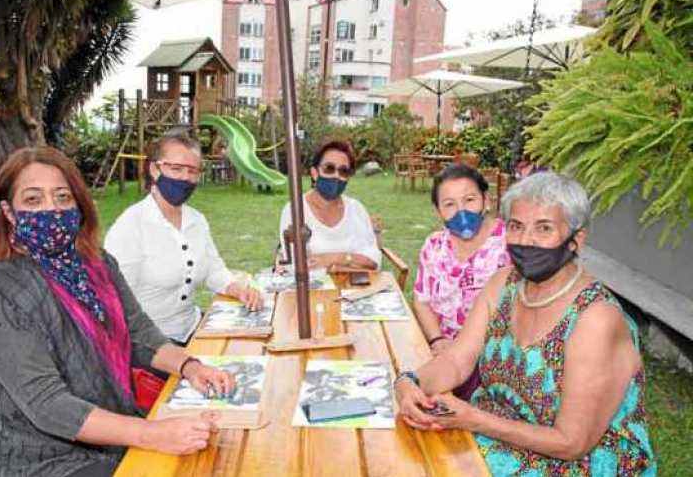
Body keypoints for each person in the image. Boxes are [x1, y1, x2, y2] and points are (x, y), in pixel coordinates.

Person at [0, 147, 236, 477]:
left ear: (79, 204)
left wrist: (189, 366)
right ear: (8, 211)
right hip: (26, 459)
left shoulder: (96, 263)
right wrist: (151, 434)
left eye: (63, 197)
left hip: (102, 432)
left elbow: (137, 331)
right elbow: (47, 403)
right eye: (33, 200)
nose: (52, 209)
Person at [395, 172, 655, 476]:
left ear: (576, 240)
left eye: (543, 228)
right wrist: (409, 383)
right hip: (495, 430)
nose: (526, 240)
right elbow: (456, 360)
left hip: (576, 461)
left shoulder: (595, 317)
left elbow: (572, 443)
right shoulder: (504, 283)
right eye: (516, 226)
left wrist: (473, 419)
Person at [104, 134, 261, 344]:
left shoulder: (196, 220)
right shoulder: (130, 227)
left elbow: (214, 270)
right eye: (176, 169)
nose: (185, 178)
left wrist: (238, 289)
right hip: (148, 344)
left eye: (193, 171)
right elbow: (116, 302)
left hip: (194, 329)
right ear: (155, 169)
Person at [412, 164, 510, 399]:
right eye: (449, 204)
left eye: (469, 200)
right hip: (443, 355)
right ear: (438, 212)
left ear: (486, 200)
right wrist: (438, 340)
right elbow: (421, 300)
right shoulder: (434, 246)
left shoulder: (510, 242)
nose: (461, 211)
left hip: (495, 362)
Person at [278, 139, 381, 270]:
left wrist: (335, 258)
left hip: (354, 288)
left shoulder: (356, 209)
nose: (336, 176)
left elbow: (373, 261)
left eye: (343, 171)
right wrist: (350, 261)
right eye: (329, 168)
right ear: (314, 173)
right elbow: (296, 265)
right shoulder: (295, 210)